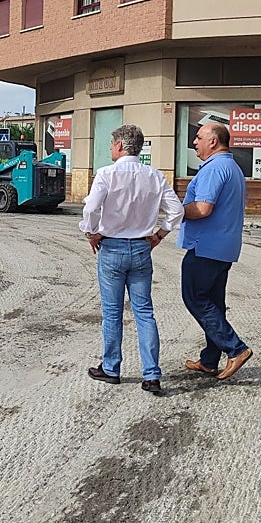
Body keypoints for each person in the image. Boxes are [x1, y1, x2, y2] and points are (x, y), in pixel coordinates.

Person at [80, 124, 183, 396]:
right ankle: (151, 374)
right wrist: (160, 233)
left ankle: (111, 368)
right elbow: (177, 210)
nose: (110, 149)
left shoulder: (106, 174)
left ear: (120, 146)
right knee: (144, 312)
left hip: (111, 248)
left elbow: (91, 208)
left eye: (112, 144)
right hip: (140, 248)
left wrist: (90, 232)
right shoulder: (155, 176)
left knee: (112, 313)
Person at [179, 122, 252, 381]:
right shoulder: (232, 167)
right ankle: (209, 361)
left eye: (198, 138)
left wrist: (174, 210)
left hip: (205, 247)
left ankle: (236, 348)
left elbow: (202, 208)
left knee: (195, 298)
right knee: (214, 303)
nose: (194, 142)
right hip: (224, 247)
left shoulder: (214, 168)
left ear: (213, 141)